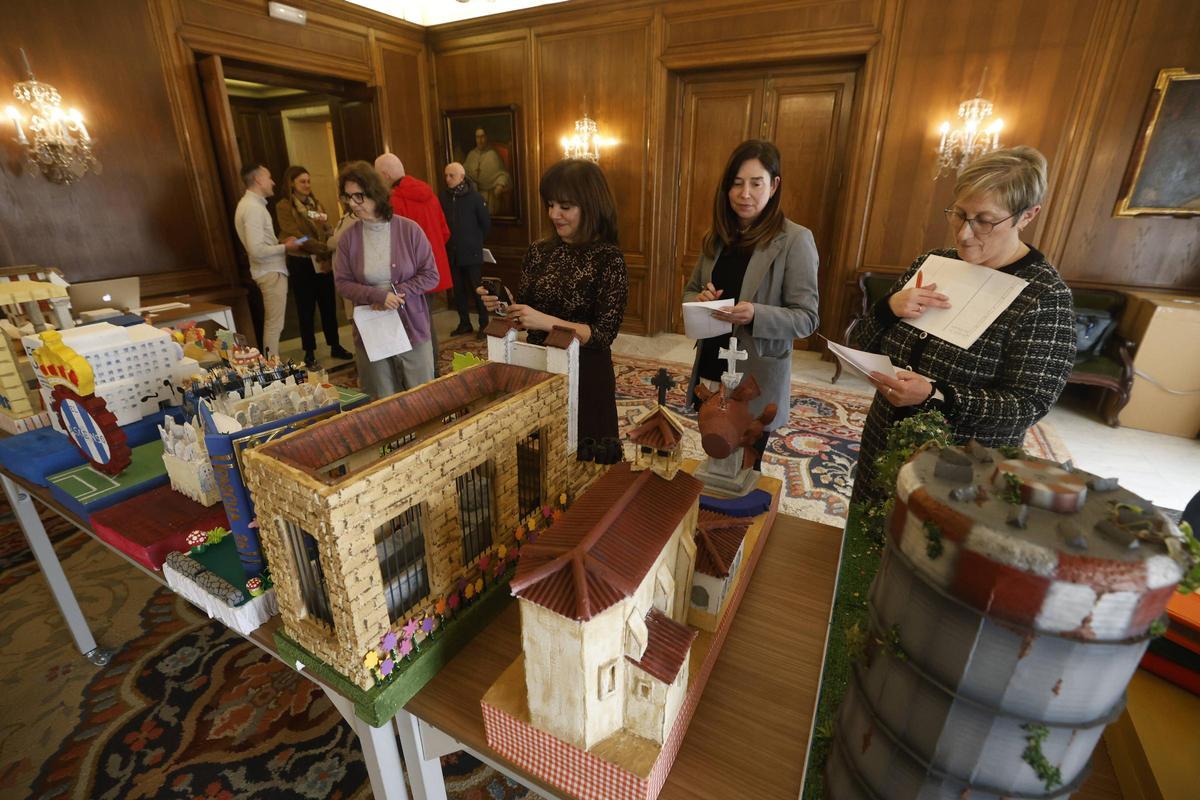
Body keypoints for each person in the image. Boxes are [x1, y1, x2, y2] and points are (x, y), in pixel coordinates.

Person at [848, 146, 1076, 507]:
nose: (965, 234)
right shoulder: (931, 263)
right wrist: (888, 309)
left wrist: (935, 395)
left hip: (961, 464)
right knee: (867, 529)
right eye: (959, 214)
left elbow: (1030, 404)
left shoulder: (1044, 297)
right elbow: (861, 341)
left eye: (985, 220)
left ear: (1027, 216)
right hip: (883, 437)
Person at [682, 139, 820, 470]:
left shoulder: (795, 240)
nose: (745, 193)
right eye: (736, 183)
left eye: (756, 183)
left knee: (744, 459)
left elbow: (807, 318)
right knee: (713, 445)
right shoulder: (717, 237)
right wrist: (700, 301)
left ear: (773, 186)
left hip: (755, 374)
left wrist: (756, 313)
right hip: (714, 360)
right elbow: (690, 291)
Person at [478, 159, 628, 464]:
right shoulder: (539, 251)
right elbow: (526, 311)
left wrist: (547, 322)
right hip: (540, 366)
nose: (554, 214)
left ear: (590, 206)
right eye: (550, 204)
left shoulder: (609, 259)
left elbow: (601, 335)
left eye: (565, 206)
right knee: (544, 458)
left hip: (586, 375)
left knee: (586, 467)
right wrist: (505, 305)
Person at [333, 161, 440, 399]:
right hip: (372, 329)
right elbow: (342, 282)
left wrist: (397, 294)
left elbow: (431, 275)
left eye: (358, 196)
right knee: (381, 398)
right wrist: (378, 296)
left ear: (375, 193)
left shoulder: (409, 230)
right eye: (347, 197)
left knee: (422, 396)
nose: (352, 204)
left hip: (411, 322)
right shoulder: (348, 239)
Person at [375, 153, 452, 374]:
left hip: (410, 274)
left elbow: (391, 243)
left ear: (385, 175)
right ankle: (432, 366)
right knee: (425, 318)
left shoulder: (393, 201)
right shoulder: (430, 194)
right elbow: (445, 232)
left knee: (415, 323)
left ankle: (424, 369)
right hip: (433, 268)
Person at [275, 165, 354, 368]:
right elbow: (295, 236)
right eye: (302, 181)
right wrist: (322, 246)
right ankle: (309, 351)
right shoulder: (284, 206)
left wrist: (329, 236)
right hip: (302, 262)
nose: (307, 185)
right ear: (291, 183)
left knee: (328, 305)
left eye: (308, 181)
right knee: (306, 309)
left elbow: (326, 227)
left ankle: (335, 345)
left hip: (322, 261)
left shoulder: (315, 205)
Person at [233, 163, 303, 359]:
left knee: (274, 324)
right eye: (269, 177)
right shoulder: (252, 208)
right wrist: (285, 248)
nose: (273, 182)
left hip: (269, 270)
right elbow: (256, 250)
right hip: (269, 272)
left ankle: (273, 366)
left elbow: (260, 244)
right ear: (258, 180)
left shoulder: (251, 205)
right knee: (274, 325)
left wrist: (281, 243)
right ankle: (273, 369)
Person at [440, 161, 492, 337]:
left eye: (451, 175)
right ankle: (464, 323)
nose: (447, 179)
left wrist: (474, 242)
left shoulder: (475, 198)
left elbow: (485, 224)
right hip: (452, 253)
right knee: (459, 292)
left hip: (472, 253)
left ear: (462, 177)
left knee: (478, 292)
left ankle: (484, 325)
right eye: (446, 175)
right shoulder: (444, 197)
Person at [465, 128, 512, 216]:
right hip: (474, 195)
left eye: (482, 137)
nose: (480, 140)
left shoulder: (493, 155)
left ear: (486, 138)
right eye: (477, 137)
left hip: (490, 197)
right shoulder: (471, 155)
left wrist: (500, 185)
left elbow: (503, 175)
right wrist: (470, 183)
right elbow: (464, 175)